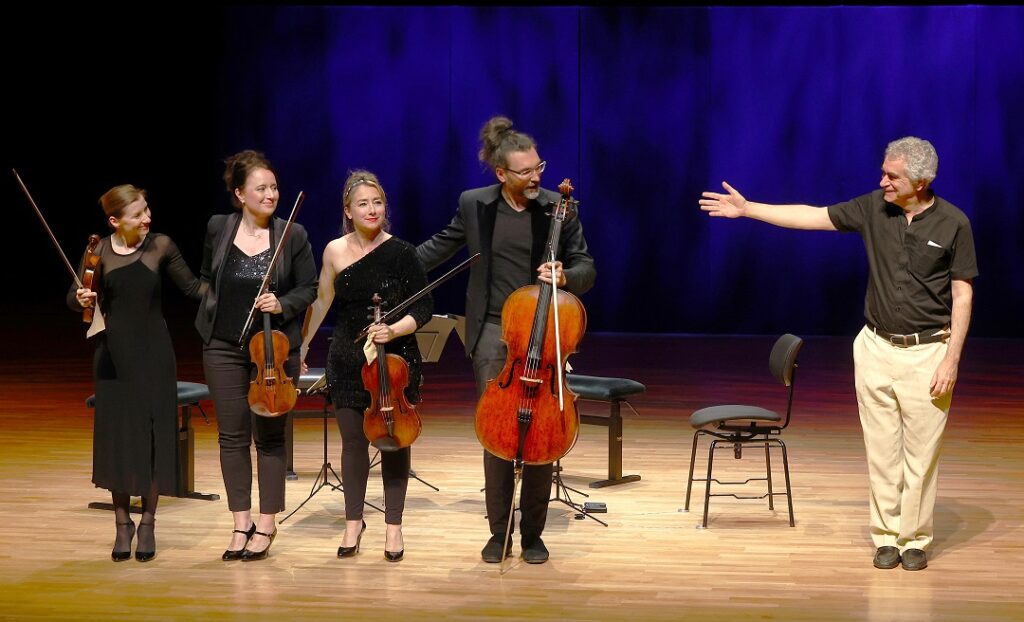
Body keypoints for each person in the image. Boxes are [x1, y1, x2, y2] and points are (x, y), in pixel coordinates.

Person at [700, 136, 977, 571]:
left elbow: (962, 294)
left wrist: (952, 359)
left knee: (921, 455)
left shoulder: (954, 223)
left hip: (928, 352)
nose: (882, 180)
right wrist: (749, 208)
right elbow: (812, 216)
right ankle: (886, 536)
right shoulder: (873, 208)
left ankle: (915, 539)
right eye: (884, 172)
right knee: (882, 450)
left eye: (892, 176)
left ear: (921, 182)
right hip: (875, 348)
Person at [416, 116, 596, 564]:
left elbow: (587, 268)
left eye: (539, 167)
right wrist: (387, 261)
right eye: (526, 171)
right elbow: (439, 247)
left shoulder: (558, 206)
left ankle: (533, 532)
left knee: (541, 434)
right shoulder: (475, 204)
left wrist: (566, 275)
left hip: (546, 330)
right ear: (501, 174)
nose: (537, 177)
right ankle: (499, 530)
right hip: (494, 333)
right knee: (497, 435)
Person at [300, 170, 432, 562]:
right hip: (346, 358)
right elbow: (321, 303)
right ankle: (353, 523)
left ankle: (394, 527)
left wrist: (394, 329)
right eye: (363, 204)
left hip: (394, 362)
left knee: (393, 440)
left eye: (377, 202)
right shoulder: (334, 251)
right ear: (348, 210)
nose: (372, 210)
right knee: (353, 444)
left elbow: (422, 307)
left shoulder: (403, 252)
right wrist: (301, 346)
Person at [69, 184, 205, 562]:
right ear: (115, 221)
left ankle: (147, 522)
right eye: (138, 214)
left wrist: (232, 289)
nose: (148, 218)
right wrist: (80, 297)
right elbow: (73, 295)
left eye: (147, 209)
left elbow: (194, 288)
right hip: (113, 357)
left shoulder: (160, 245)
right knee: (118, 439)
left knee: (152, 436)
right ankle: (121, 524)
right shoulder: (97, 253)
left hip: (154, 356)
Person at [195, 150, 317, 562]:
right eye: (261, 188)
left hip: (272, 350)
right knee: (231, 436)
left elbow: (309, 288)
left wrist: (281, 304)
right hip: (223, 344)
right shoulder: (218, 227)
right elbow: (207, 279)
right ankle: (240, 521)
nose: (271, 194)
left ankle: (266, 522)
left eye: (274, 187)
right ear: (239, 193)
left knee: (268, 434)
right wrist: (210, 309)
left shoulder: (292, 234)